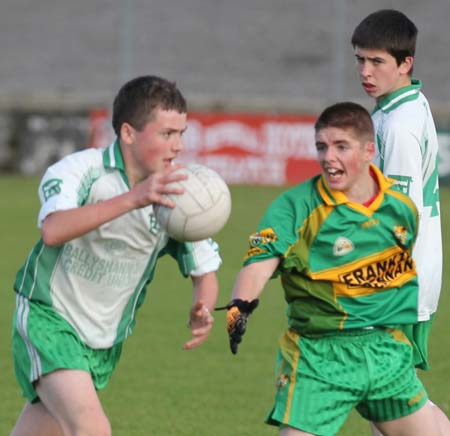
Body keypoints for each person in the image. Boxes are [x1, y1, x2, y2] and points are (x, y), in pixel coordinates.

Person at [11, 75, 221, 436]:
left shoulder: (178, 198)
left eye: (182, 134)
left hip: (103, 340)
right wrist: (135, 198)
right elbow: (53, 230)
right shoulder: (83, 171)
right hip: (49, 319)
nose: (178, 146)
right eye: (166, 134)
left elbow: (205, 271)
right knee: (92, 428)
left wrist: (203, 306)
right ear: (128, 133)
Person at [220, 102, 442, 435]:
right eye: (321, 147)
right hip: (320, 356)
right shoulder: (296, 206)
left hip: (384, 352)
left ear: (369, 150)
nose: (328, 157)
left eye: (341, 146)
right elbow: (259, 264)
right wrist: (240, 305)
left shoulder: (400, 209)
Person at [351, 9, 450, 435]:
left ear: (406, 63)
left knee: (385, 394)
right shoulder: (402, 107)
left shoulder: (400, 125)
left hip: (397, 282)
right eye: (360, 60)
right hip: (402, 279)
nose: (365, 72)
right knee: (390, 398)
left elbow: (398, 219)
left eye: (377, 62)